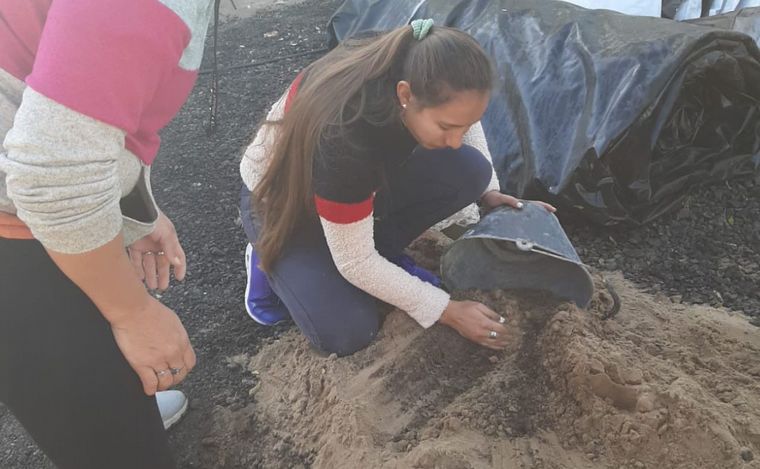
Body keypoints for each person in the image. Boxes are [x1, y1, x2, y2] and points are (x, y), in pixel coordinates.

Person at [238, 19, 555, 356]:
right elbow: (355, 262)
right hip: (283, 203)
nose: (455, 140)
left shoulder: (417, 62)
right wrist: (446, 310)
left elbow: (464, 117)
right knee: (347, 331)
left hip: (344, 187)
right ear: (405, 95)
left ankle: (377, 251)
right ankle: (267, 255)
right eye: (446, 126)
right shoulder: (347, 137)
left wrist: (489, 191)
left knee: (470, 169)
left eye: (461, 127)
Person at [0, 1, 216, 467]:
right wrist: (133, 312)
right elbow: (53, 176)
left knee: (104, 402)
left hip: (21, 179)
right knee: (114, 447)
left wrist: (135, 212)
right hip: (13, 221)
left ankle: (114, 414)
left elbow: (81, 110)